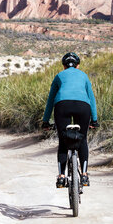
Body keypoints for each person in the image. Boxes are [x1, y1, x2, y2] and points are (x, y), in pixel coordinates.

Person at [42, 52, 99, 188]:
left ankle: (61, 177)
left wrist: (45, 121)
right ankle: (84, 175)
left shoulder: (59, 76)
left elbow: (50, 100)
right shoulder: (84, 76)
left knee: (63, 140)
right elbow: (91, 99)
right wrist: (94, 120)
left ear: (63, 66)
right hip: (83, 106)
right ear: (78, 65)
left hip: (62, 105)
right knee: (83, 139)